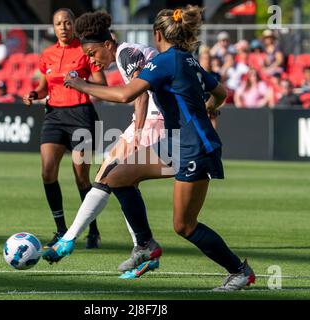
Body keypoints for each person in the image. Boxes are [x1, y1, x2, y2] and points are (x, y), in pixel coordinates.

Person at [62, 5, 255, 291]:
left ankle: (240, 271)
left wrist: (81, 85)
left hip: (194, 148)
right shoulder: (186, 60)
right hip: (177, 143)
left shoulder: (166, 62)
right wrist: (208, 109)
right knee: (116, 177)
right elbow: (221, 93)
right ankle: (144, 244)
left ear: (157, 34)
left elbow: (127, 93)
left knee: (184, 226)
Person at [42, 10, 170, 277]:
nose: (91, 60)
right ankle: (142, 249)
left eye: (92, 53)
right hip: (149, 120)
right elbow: (140, 93)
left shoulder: (127, 53)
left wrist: (136, 132)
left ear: (107, 45)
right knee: (110, 178)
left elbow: (140, 94)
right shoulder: (128, 53)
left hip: (156, 122)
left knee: (109, 178)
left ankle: (69, 241)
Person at [22, 8, 107, 249]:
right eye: (59, 23)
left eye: (67, 22)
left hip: (81, 116)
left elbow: (102, 84)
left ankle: (92, 230)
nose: (63, 27)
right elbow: (43, 87)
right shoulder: (47, 54)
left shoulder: (85, 50)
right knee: (47, 172)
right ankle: (61, 229)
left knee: (81, 178)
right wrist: (33, 94)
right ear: (53, 26)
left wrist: (81, 83)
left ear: (74, 25)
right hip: (54, 116)